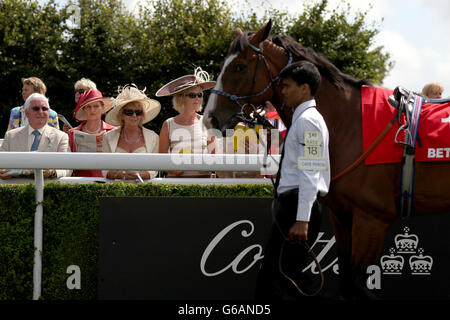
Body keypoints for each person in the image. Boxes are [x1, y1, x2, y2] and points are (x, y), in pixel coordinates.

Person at [255, 61, 330, 300]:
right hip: (296, 206)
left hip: (298, 208)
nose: (282, 92)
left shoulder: (308, 120)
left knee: (278, 282)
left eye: (287, 86)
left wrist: (302, 219)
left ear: (304, 88)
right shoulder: (306, 118)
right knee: (284, 279)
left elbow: (311, 171)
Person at [156, 67, 216, 177]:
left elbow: (215, 157)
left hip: (203, 183)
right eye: (192, 95)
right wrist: (175, 171)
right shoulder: (168, 124)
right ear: (181, 98)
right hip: (175, 184)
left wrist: (205, 168)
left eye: (200, 95)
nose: (197, 98)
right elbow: (161, 161)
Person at [0, 93, 72, 179]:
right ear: (27, 113)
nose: (40, 112)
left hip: (47, 189)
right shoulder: (11, 136)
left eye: (44, 108)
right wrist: (2, 172)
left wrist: (52, 172)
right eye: (36, 109)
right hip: (17, 188)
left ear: (48, 112)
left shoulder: (61, 137)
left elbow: (68, 168)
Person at [102, 85, 161, 180]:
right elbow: (105, 170)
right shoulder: (108, 137)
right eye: (129, 112)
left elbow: (154, 170)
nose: (134, 115)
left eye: (138, 112)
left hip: (144, 190)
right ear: (121, 115)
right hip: (115, 190)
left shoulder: (154, 137)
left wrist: (140, 176)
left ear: (142, 115)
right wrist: (119, 175)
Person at [67, 89, 116, 177]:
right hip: (79, 185)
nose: (92, 110)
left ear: (103, 109)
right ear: (84, 110)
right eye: (88, 106)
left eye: (96, 106)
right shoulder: (72, 133)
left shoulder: (114, 132)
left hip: (108, 184)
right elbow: (67, 164)